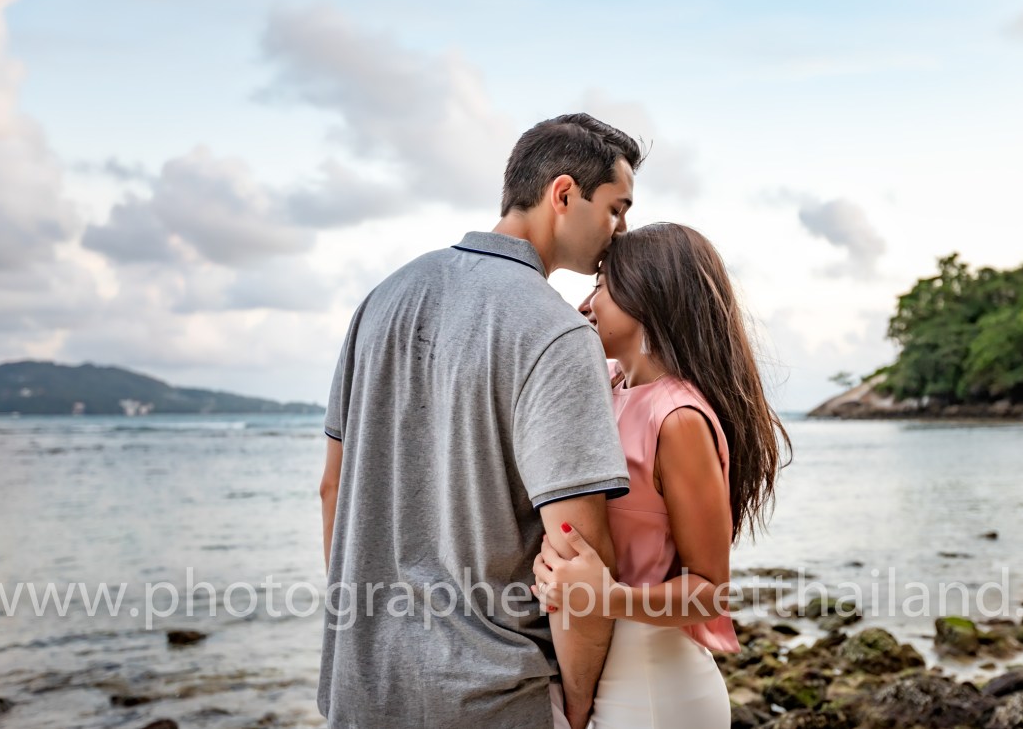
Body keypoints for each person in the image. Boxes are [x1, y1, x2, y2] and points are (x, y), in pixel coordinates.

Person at [317, 113, 644, 729]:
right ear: (564, 194)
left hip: (360, 694)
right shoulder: (558, 332)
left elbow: (332, 488)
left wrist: (363, 634)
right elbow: (577, 548)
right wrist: (578, 706)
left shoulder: (379, 301)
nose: (621, 230)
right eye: (616, 208)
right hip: (493, 700)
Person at [533, 222, 790, 728]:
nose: (585, 305)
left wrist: (606, 597)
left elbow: (710, 591)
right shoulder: (608, 387)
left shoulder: (677, 419)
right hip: (597, 668)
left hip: (653, 687)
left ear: (647, 297)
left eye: (601, 286)